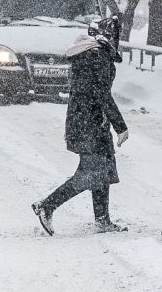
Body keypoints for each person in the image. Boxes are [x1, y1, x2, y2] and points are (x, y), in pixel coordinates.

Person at [32, 16, 129, 235]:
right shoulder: (97, 56)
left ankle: (103, 220)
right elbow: (102, 94)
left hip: (87, 121)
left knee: (102, 169)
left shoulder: (89, 53)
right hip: (90, 124)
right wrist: (120, 126)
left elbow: (94, 92)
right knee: (91, 174)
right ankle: (47, 206)